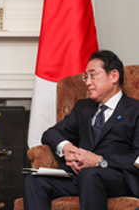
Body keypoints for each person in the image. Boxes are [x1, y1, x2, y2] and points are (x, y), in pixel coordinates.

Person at [24, 50, 139, 210]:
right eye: (86, 77)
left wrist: (100, 161)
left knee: (90, 174)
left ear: (113, 76)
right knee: (34, 181)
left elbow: (136, 156)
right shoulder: (83, 108)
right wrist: (67, 148)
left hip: (116, 177)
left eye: (93, 75)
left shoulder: (135, 109)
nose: (87, 82)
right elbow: (50, 134)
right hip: (78, 176)